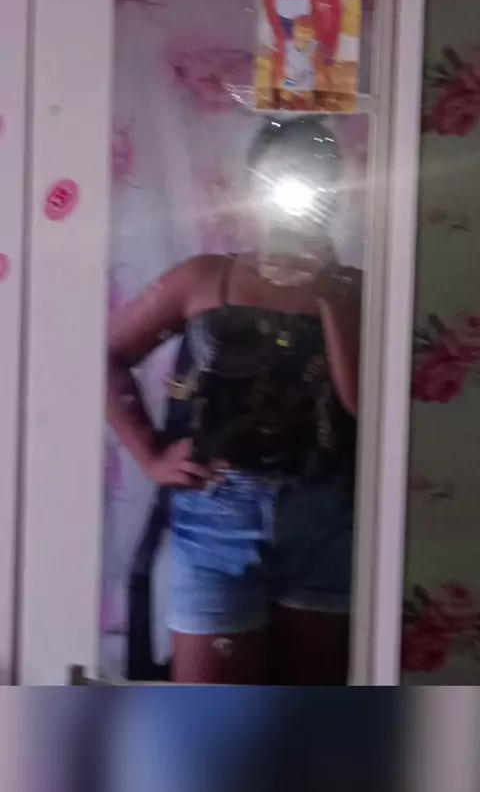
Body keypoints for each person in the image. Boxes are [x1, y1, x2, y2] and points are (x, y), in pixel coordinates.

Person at [107, 117, 361, 685]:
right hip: (215, 517)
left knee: (314, 722)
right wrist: (150, 454)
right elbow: (108, 354)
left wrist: (331, 295)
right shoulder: (203, 278)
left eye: (316, 181)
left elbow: (362, 405)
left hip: (324, 517)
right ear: (255, 189)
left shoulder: (358, 289)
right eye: (282, 179)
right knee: (212, 723)